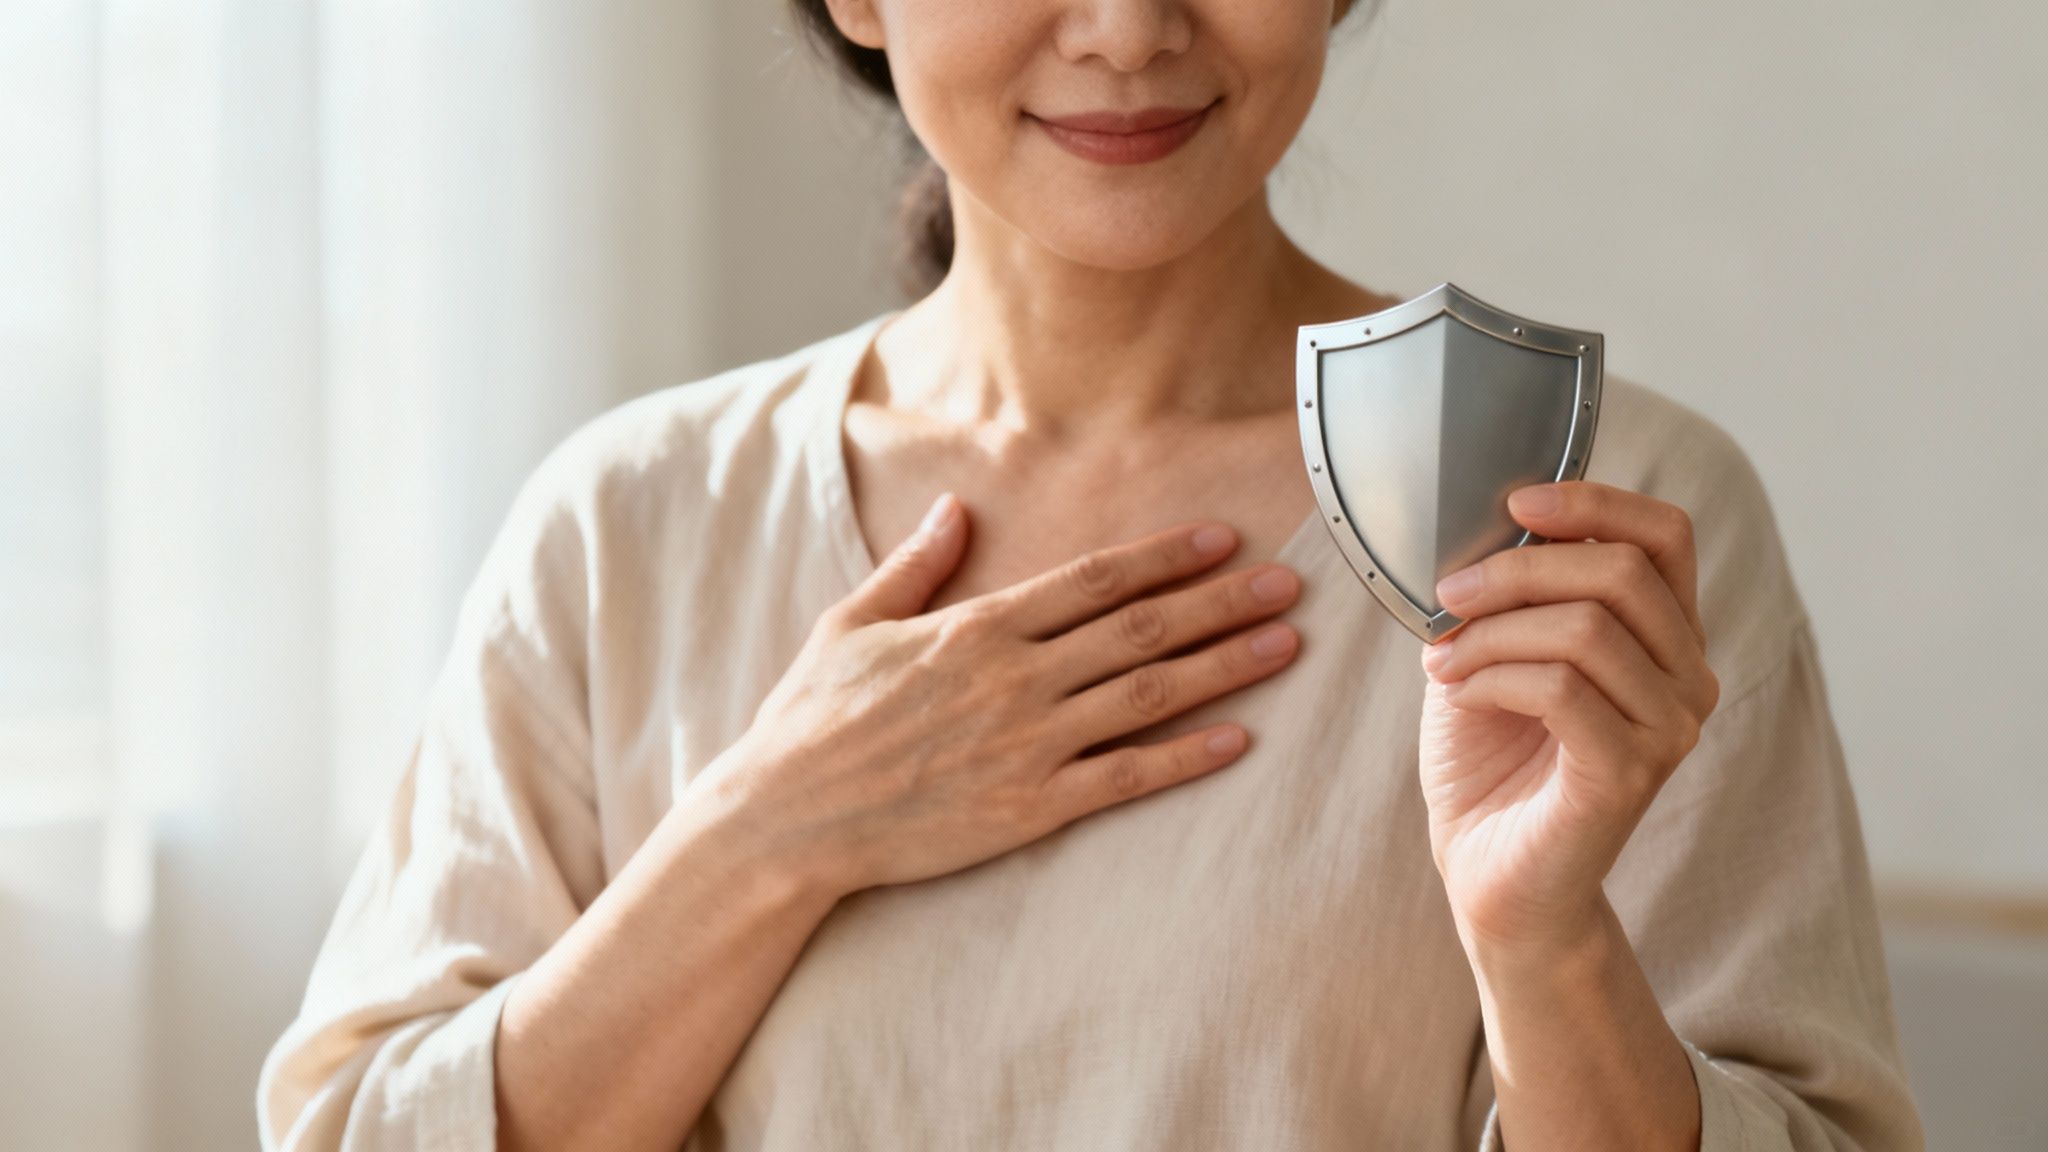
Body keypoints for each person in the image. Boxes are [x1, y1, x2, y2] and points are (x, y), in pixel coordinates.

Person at [257, 1, 1925, 1149]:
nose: (1128, 26)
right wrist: (766, 836)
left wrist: (1545, 941)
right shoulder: (629, 524)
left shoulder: (1581, 504)